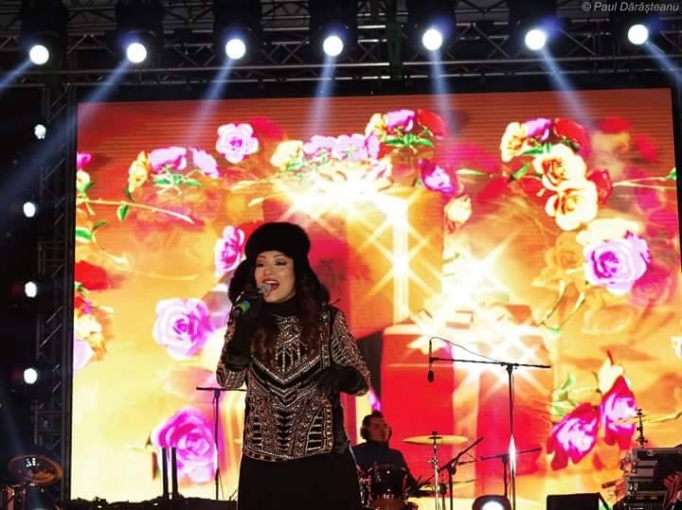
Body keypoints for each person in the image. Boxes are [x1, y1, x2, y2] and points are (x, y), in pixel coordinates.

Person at [216, 221, 372, 510]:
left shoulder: (328, 321)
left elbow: (362, 381)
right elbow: (228, 380)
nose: (268, 271)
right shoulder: (243, 321)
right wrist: (243, 331)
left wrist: (342, 376)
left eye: (280, 263)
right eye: (260, 263)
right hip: (263, 469)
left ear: (297, 270)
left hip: (324, 467)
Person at [352, 411, 418, 496]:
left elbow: (409, 483)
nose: (382, 430)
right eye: (376, 427)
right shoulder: (357, 452)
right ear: (366, 431)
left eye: (385, 426)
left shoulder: (396, 455)